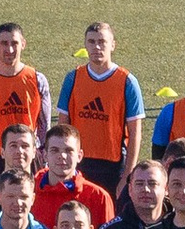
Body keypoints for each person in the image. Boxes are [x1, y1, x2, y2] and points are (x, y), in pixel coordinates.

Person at [56, 23, 144, 195]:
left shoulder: (127, 81)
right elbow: (62, 127)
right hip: (78, 162)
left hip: (113, 166)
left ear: (112, 45)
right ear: (85, 44)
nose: (96, 47)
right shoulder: (73, 78)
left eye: (102, 42)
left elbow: (135, 133)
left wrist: (127, 176)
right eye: (91, 41)